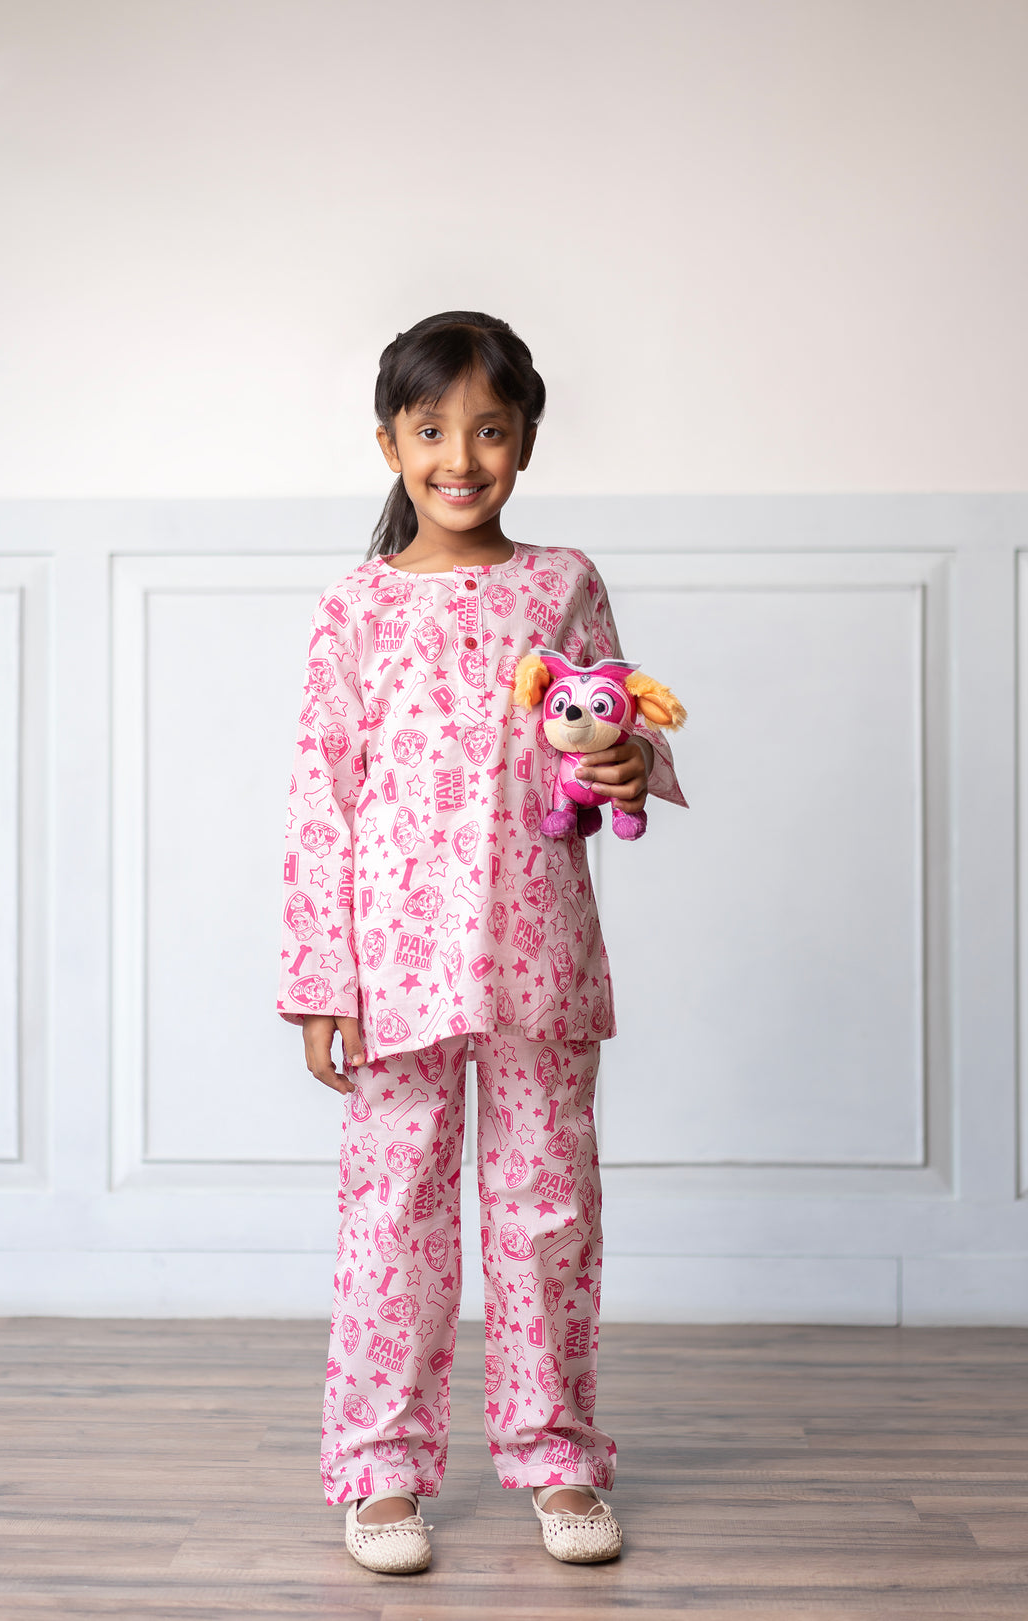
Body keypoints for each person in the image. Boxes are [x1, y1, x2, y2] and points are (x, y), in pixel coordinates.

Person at [276, 311, 687, 1574]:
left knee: (548, 1212)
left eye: (491, 430)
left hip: (538, 953)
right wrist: (323, 980)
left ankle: (559, 1453)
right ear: (390, 442)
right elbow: (321, 798)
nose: (462, 457)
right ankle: (380, 1471)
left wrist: (630, 765)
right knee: (392, 1216)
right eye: (433, 430)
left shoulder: (563, 583)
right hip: (393, 969)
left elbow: (615, 732)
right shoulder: (355, 606)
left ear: (527, 441)